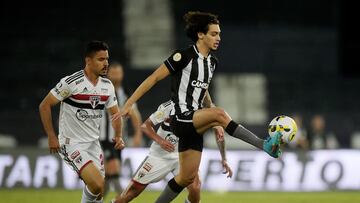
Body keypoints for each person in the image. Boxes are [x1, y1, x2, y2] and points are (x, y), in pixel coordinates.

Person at [115, 11, 282, 202]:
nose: (218, 38)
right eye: (213, 34)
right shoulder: (183, 56)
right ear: (200, 34)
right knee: (220, 113)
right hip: (180, 118)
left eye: (219, 34)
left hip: (193, 125)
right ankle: (264, 144)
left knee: (187, 178)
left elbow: (204, 92)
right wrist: (128, 104)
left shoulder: (212, 63)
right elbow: (153, 78)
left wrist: (216, 119)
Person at [39, 40, 125, 203]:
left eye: (107, 59)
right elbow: (45, 105)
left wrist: (119, 135)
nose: (106, 63)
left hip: (94, 144)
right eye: (101, 59)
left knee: (98, 193)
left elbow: (115, 113)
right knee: (98, 185)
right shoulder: (71, 82)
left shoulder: (107, 86)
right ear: (88, 61)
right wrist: (51, 136)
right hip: (72, 143)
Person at [112, 100, 232, 203]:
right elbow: (146, 126)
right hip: (160, 156)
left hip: (183, 155)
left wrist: (224, 158)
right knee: (130, 194)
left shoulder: (205, 109)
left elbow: (220, 136)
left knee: (195, 188)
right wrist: (161, 141)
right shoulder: (169, 107)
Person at [99, 63, 143, 199]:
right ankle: (122, 198)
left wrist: (138, 133)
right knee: (114, 170)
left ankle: (96, 200)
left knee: (108, 176)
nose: (117, 76)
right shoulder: (101, 89)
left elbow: (135, 113)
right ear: (108, 74)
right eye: (114, 73)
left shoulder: (125, 92)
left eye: (119, 73)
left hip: (118, 140)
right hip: (102, 139)